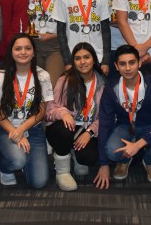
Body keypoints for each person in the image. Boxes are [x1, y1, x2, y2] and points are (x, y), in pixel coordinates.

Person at [94, 45, 151, 189]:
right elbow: (105, 123)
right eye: (122, 64)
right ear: (116, 66)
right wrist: (104, 163)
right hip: (125, 127)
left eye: (132, 62)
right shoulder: (111, 88)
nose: (128, 68)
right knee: (111, 151)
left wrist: (139, 144)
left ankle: (149, 161)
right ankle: (124, 160)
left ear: (139, 63)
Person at [0, 34, 54, 188]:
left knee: (38, 182)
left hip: (32, 129)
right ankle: (5, 167)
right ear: (11, 52)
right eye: (18, 48)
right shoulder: (0, 77)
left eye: (27, 48)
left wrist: (21, 130)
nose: (23, 52)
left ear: (34, 52)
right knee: (17, 160)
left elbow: (41, 111)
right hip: (6, 128)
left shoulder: (43, 76)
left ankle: (26, 159)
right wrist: (16, 133)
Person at [45, 42, 106, 191]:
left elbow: (106, 117)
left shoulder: (104, 84)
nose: (83, 62)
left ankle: (75, 152)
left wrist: (90, 132)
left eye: (86, 57)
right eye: (78, 58)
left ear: (94, 59)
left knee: (89, 158)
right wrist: (64, 113)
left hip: (87, 129)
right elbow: (50, 109)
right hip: (65, 127)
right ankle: (62, 171)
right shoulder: (65, 80)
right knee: (64, 130)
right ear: (73, 62)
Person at [52, 0, 111, 76]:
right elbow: (61, 31)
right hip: (74, 56)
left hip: (97, 55)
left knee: (97, 92)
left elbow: (105, 30)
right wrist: (67, 61)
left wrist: (105, 61)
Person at [29, 0, 72, 86]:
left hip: (56, 46)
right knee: (36, 85)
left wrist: (53, 35)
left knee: (51, 85)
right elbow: (30, 16)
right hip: (35, 45)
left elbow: (72, 23)